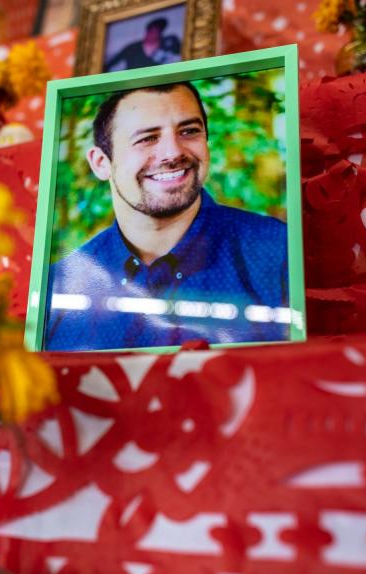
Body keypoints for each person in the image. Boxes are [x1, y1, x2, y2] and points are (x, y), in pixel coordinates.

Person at [45, 82, 289, 351]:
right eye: (147, 138)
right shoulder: (58, 291)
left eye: (189, 131)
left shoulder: (277, 252)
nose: (173, 153)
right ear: (101, 163)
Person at [103, 16, 182, 72]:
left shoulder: (167, 45)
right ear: (147, 32)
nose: (154, 34)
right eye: (152, 31)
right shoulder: (132, 48)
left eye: (158, 31)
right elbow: (111, 64)